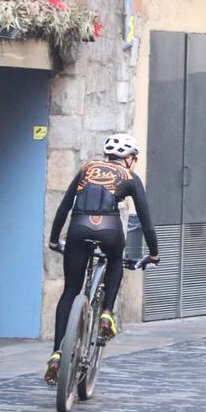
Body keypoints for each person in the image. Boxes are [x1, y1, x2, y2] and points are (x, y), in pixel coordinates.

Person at [45, 133, 159, 385]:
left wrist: (54, 240)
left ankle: (56, 353)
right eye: (135, 158)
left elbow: (64, 207)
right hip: (109, 229)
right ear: (129, 159)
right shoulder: (130, 177)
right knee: (115, 259)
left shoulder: (87, 168)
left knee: (71, 290)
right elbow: (146, 219)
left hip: (78, 227)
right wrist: (154, 253)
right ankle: (107, 312)